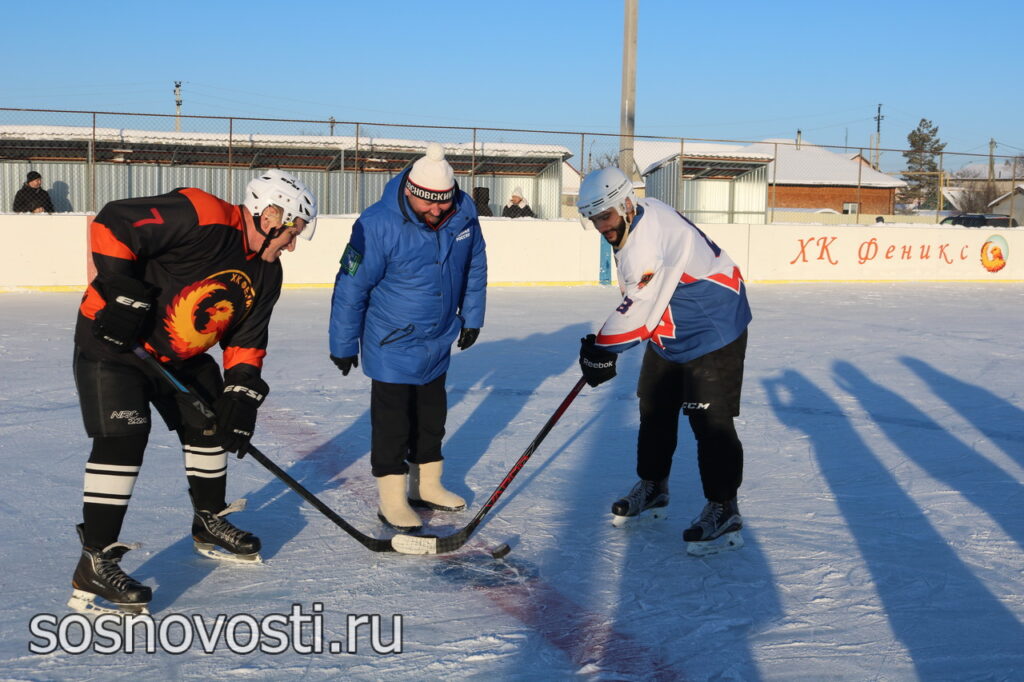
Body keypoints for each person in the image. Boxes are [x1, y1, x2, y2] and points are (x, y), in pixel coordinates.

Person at [69, 169, 318, 614]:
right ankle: (95, 559)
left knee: (212, 420)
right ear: (271, 214)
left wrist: (240, 394)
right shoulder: (202, 214)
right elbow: (112, 223)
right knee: (123, 440)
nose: (293, 244)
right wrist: (121, 289)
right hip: (115, 346)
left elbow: (245, 340)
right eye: (292, 231)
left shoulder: (267, 273)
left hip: (179, 357)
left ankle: (208, 521)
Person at [575, 166, 751, 556]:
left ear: (624, 205)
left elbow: (638, 310)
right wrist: (605, 347)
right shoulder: (643, 211)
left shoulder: (644, 243)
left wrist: (602, 350)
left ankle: (724, 507)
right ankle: (653, 486)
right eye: (594, 219)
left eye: (604, 216)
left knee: (711, 421)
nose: (601, 226)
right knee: (654, 408)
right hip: (672, 328)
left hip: (713, 327)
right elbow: (643, 300)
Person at [329, 143, 487, 532]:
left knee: (432, 419)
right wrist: (343, 344)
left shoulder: (463, 212)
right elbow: (351, 286)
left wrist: (472, 316)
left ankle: (427, 486)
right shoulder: (376, 224)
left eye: (443, 204)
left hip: (437, 339)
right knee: (393, 425)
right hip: (391, 343)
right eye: (428, 203)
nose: (436, 211)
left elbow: (476, 264)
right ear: (411, 191)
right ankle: (393, 500)